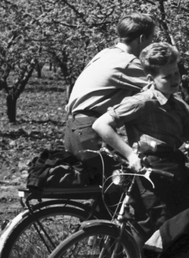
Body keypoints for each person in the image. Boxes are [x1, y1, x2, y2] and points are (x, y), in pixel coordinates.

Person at [92, 42, 189, 226]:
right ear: (151, 79)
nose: (175, 80)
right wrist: (130, 155)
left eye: (176, 73)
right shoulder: (142, 102)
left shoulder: (178, 105)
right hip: (154, 174)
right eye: (167, 77)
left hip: (177, 170)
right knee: (165, 231)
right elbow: (101, 124)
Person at [65, 13, 157, 154]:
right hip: (91, 130)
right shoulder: (128, 62)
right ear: (142, 39)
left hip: (73, 128)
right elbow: (163, 91)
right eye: (151, 39)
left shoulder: (104, 53)